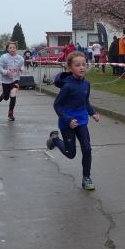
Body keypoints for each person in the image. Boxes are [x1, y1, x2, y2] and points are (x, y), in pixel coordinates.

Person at [46, 51, 101, 190]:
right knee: (70, 154)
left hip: (81, 121)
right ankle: (55, 139)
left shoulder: (86, 84)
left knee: (87, 149)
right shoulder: (67, 86)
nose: (82, 67)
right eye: (77, 65)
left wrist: (92, 113)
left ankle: (86, 178)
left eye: (84, 64)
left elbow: (85, 101)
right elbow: (57, 105)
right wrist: (68, 119)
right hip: (67, 123)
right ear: (70, 68)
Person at [0, 41, 25, 121]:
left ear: (16, 49)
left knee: (13, 94)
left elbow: (22, 66)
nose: (12, 49)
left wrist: (22, 69)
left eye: (14, 48)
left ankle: (10, 113)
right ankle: (3, 95)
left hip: (15, 80)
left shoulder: (20, 58)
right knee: (6, 97)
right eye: (10, 48)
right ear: (7, 49)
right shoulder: (3, 57)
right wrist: (6, 72)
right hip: (5, 80)